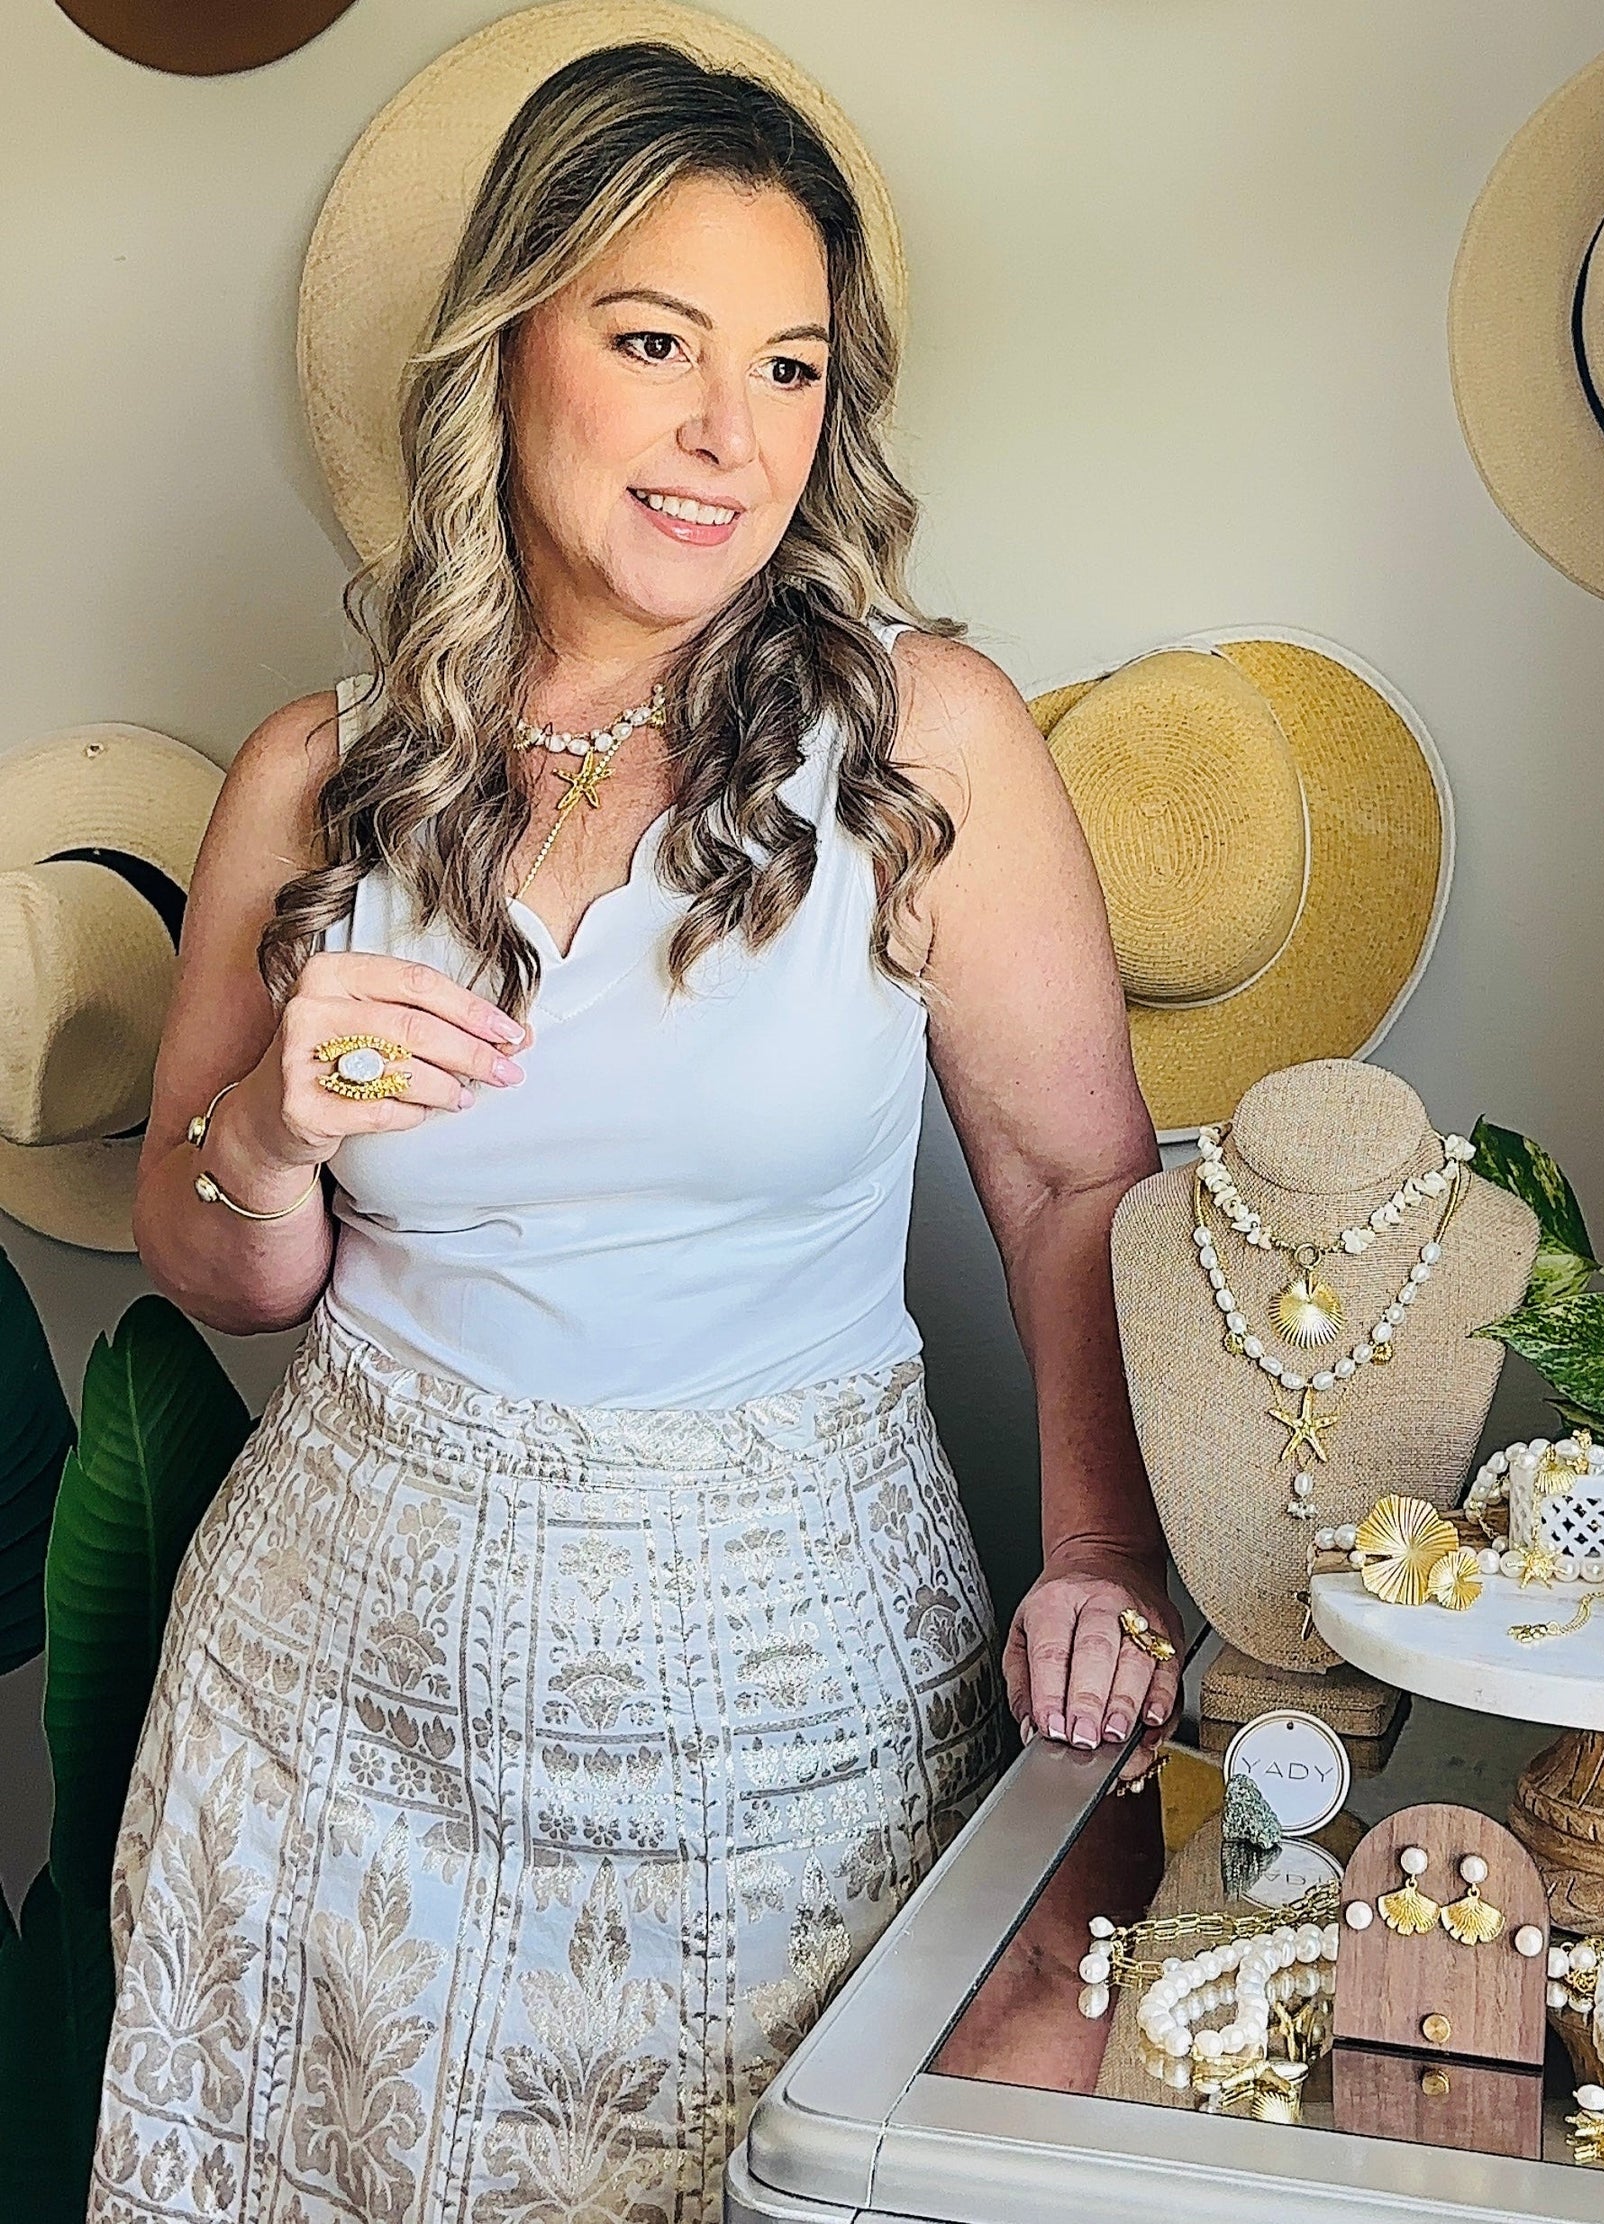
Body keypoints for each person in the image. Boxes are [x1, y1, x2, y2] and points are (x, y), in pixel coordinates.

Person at [88, 41, 1178, 2224]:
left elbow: (1070, 1181)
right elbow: (222, 1263)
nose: (727, 434)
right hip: (328, 1740)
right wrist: (268, 1123)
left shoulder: (917, 732)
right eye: (655, 340)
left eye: (785, 368)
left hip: (787, 1747)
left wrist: (1104, 1550)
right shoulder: (319, 778)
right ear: (507, 351)